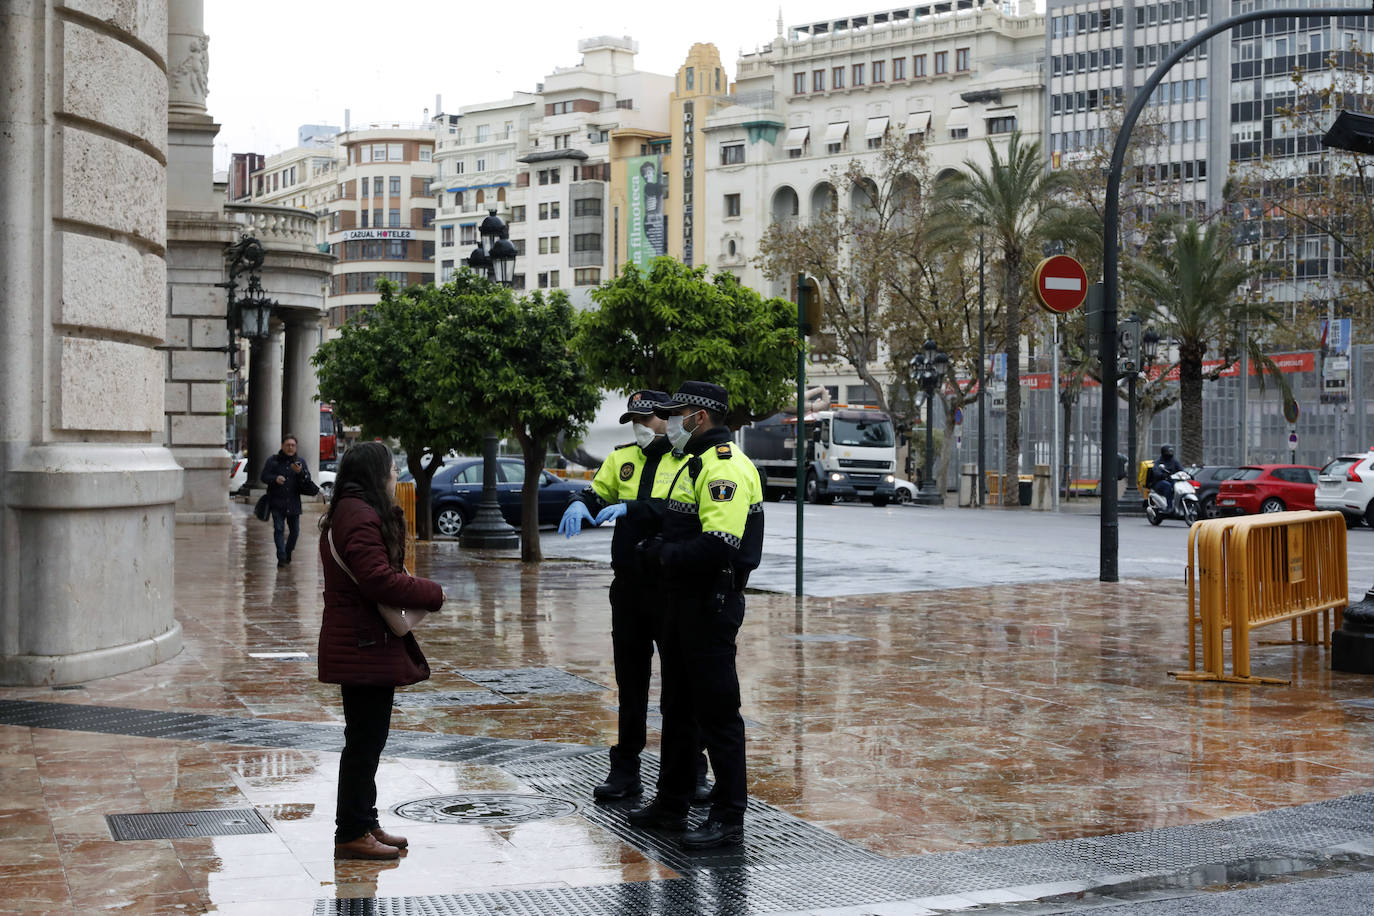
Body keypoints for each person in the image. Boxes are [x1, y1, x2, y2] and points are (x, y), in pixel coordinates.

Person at [627, 381, 764, 850]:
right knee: (678, 710)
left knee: (719, 716)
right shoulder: (694, 462)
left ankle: (728, 818)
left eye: (675, 413)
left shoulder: (725, 466)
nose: (668, 422)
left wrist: (662, 554)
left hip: (710, 605)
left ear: (699, 416)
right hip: (682, 605)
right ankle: (672, 803)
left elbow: (719, 545)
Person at [558, 390, 711, 803]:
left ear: (666, 419)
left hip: (670, 587)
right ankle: (625, 769)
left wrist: (635, 510)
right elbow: (598, 492)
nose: (641, 428)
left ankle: (693, 769)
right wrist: (578, 501)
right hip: (628, 588)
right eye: (635, 421)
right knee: (630, 683)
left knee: (680, 684)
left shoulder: (689, 460)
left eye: (648, 420)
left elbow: (684, 511)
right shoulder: (622, 457)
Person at [317, 442, 447, 860]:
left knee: (368, 739)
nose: (396, 477)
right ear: (376, 474)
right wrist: (432, 591)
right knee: (364, 742)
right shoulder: (359, 516)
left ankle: (364, 820)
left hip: (364, 642)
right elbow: (376, 580)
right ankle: (351, 832)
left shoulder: (354, 512)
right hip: (363, 643)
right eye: (392, 470)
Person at [260, 434, 318, 567]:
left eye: (293, 445)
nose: (290, 448)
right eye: (288, 445)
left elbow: (307, 480)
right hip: (277, 502)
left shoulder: (300, 462)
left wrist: (300, 472)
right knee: (279, 529)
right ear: (282, 446)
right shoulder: (273, 461)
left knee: (295, 531)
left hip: (293, 503)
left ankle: (288, 552)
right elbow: (263, 477)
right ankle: (281, 557)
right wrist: (275, 479)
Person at [1149, 444, 1185, 512]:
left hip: (1172, 480)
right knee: (1167, 485)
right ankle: (1169, 507)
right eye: (1168, 452)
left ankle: (1180, 504)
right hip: (1159, 482)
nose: (1170, 453)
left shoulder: (1174, 461)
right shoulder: (1158, 462)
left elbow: (1181, 469)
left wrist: (1186, 474)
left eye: (1171, 451)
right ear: (1163, 452)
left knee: (1178, 485)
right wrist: (1162, 475)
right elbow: (1156, 472)